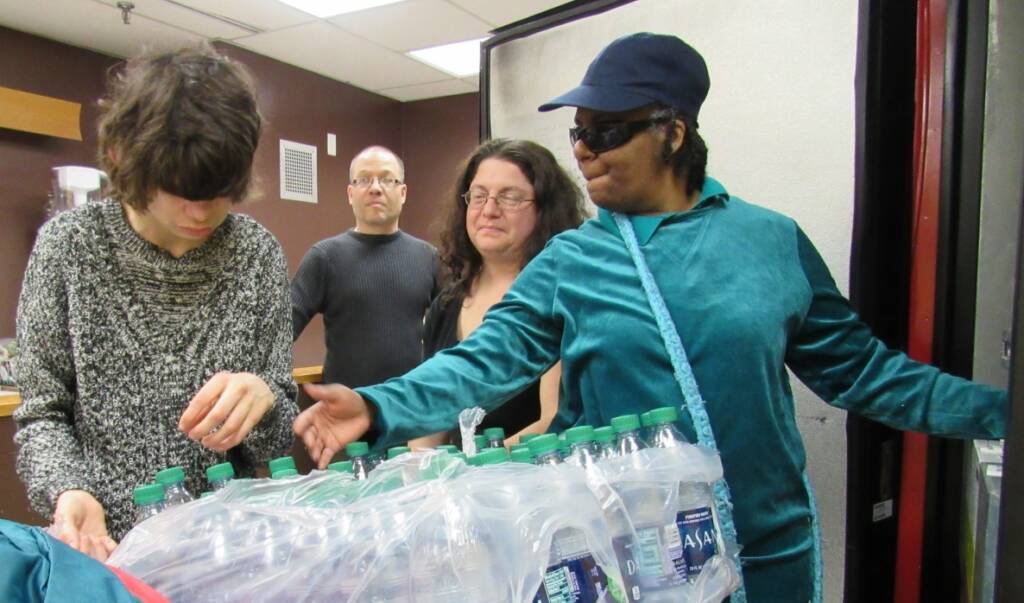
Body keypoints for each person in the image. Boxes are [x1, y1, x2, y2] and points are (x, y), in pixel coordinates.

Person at [293, 33, 1007, 601]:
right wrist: (377, 405)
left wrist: (1001, 413)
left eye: (607, 131)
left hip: (765, 550)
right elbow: (486, 359)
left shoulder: (771, 240)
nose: (582, 149)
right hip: (624, 557)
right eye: (578, 132)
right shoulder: (575, 258)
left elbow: (864, 372)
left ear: (672, 132)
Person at [13, 44, 298, 559]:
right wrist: (68, 490)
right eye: (180, 189)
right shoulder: (69, 248)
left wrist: (267, 399)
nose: (201, 211)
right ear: (126, 159)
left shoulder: (256, 254)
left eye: (219, 191)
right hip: (107, 553)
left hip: (226, 551)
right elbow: (43, 415)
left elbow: (272, 442)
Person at [410, 139, 587, 449]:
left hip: (538, 481)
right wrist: (420, 465)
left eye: (510, 197)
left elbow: (553, 420)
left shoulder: (560, 297)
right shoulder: (446, 306)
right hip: (460, 486)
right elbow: (429, 416)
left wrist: (472, 466)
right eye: (478, 196)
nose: (489, 210)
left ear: (544, 209)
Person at [291, 146, 438, 388]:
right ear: (350, 193)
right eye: (364, 180)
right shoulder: (325, 257)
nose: (376, 188)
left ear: (403, 192)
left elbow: (454, 335)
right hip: (344, 412)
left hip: (409, 412)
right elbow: (280, 331)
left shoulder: (429, 258)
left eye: (387, 180)